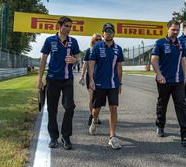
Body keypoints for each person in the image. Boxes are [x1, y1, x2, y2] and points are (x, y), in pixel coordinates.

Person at [151, 19, 186, 146]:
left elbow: (183, 61)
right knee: (162, 105)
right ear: (168, 29)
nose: (176, 32)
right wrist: (159, 74)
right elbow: (154, 60)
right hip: (164, 81)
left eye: (177, 30)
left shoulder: (181, 43)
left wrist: (185, 79)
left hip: (178, 81)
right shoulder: (160, 43)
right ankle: (160, 125)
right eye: (173, 29)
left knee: (182, 107)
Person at [37, 16, 80, 150]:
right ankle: (53, 137)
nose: (68, 29)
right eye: (66, 26)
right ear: (59, 26)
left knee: (69, 107)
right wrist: (39, 79)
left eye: (70, 26)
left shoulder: (73, 41)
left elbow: (77, 58)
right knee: (52, 109)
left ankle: (66, 136)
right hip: (52, 79)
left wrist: (74, 60)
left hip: (68, 79)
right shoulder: (50, 40)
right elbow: (43, 60)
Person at [88, 23, 124, 149]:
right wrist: (91, 80)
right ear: (103, 33)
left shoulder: (118, 49)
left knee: (113, 108)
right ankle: (94, 120)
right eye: (106, 31)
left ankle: (112, 136)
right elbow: (91, 64)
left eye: (111, 31)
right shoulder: (97, 47)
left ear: (114, 33)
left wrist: (119, 82)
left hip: (113, 84)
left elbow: (119, 67)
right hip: (99, 84)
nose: (109, 33)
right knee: (96, 109)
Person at [79, 33, 102, 125]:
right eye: (97, 39)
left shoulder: (104, 50)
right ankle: (91, 116)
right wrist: (82, 75)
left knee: (98, 99)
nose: (99, 41)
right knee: (92, 98)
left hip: (101, 78)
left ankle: (95, 116)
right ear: (93, 41)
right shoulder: (89, 50)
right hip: (91, 77)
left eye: (100, 39)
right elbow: (85, 64)